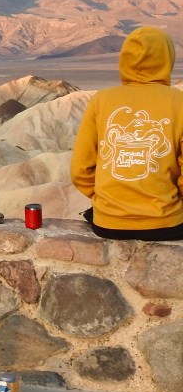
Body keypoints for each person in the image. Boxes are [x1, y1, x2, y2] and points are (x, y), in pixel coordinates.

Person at [71, 26, 183, 241]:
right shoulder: (179, 102)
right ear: (167, 59)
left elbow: (80, 169)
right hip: (166, 223)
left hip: (108, 224)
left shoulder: (101, 100)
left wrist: (106, 201)